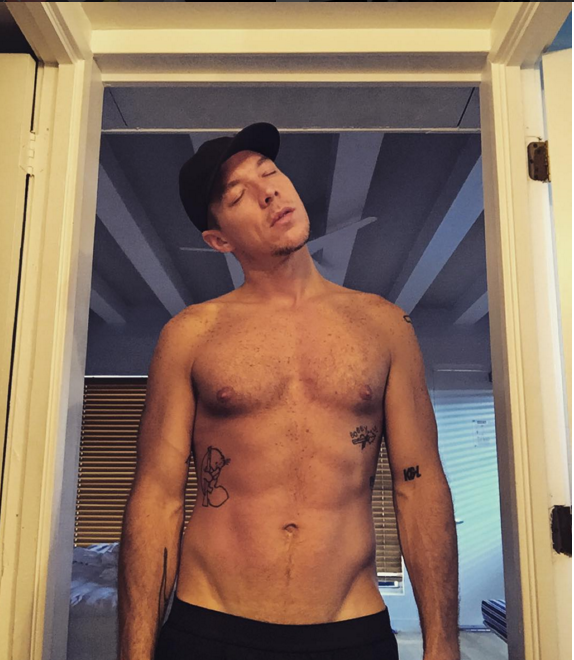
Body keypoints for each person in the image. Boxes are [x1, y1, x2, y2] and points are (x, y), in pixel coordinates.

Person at [117, 122, 460, 660]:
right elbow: (156, 497)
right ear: (219, 240)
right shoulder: (190, 335)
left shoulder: (384, 325)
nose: (269, 192)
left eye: (270, 172)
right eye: (238, 195)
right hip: (211, 625)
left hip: (350, 630)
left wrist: (443, 644)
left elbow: (419, 486)